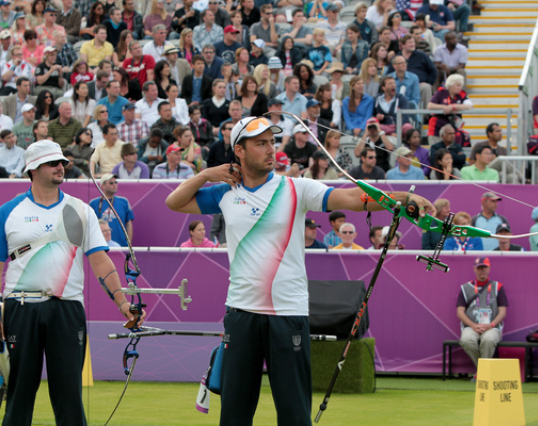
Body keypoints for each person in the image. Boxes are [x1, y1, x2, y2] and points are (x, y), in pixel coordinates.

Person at [164, 115, 435, 425]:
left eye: (272, 142)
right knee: (234, 415)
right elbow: (175, 201)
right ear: (239, 150)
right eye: (261, 143)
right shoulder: (225, 192)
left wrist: (400, 199)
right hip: (240, 314)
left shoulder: (296, 188)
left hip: (287, 314)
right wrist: (207, 174)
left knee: (295, 415)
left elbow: (350, 197)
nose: (270, 149)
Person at [0, 140, 141, 425]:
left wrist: (122, 302)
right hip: (20, 309)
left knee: (69, 396)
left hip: (67, 311)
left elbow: (101, 261)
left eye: (61, 162)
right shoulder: (8, 212)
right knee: (19, 395)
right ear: (33, 168)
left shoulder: (81, 210)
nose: (60, 166)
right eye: (52, 162)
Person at [456, 257, 507, 372]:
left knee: (488, 340)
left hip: (492, 327)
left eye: (484, 267)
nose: (482, 270)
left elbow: (503, 311)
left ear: (489, 268)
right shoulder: (465, 288)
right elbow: (460, 312)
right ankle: (484, 371)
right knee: (466, 340)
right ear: (474, 269)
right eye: (479, 268)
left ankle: (481, 373)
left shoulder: (497, 287)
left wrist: (491, 324)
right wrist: (473, 325)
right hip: (471, 326)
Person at [89, 173, 134, 247]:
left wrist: (129, 244)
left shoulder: (124, 202)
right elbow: (90, 226)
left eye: (116, 182)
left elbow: (129, 224)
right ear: (103, 186)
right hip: (101, 246)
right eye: (111, 183)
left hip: (122, 246)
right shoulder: (93, 203)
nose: (114, 184)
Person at [427, 74, 472, 145]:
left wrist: (453, 106)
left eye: (461, 85)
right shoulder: (441, 92)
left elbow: (469, 106)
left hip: (453, 128)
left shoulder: (462, 94)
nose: (460, 88)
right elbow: (430, 105)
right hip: (437, 126)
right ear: (450, 85)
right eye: (457, 85)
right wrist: (444, 107)